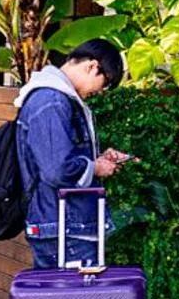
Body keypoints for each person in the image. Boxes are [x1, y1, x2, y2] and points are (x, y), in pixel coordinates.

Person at [14, 39, 130, 269]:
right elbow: (56, 170)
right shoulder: (52, 101)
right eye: (105, 83)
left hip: (62, 225)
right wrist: (95, 168)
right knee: (76, 293)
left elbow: (57, 157)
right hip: (65, 227)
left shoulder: (55, 98)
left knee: (64, 292)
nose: (100, 92)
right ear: (92, 67)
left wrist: (97, 159)